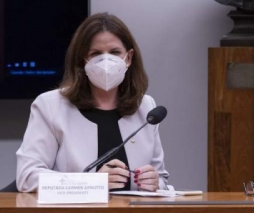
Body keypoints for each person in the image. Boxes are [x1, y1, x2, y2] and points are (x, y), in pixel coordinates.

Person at [16, 13, 168, 192]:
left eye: (114, 52)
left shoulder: (145, 107)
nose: (106, 61)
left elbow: (162, 178)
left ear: (128, 58)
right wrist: (92, 183)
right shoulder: (50, 106)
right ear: (82, 60)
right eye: (96, 54)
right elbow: (27, 177)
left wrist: (155, 182)